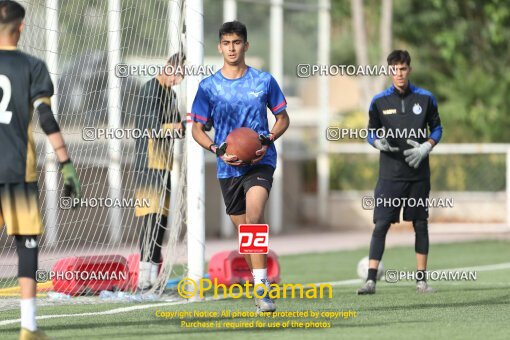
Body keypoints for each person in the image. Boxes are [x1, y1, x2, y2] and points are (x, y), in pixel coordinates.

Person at [191, 21, 290, 312]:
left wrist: (268, 138)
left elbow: (283, 118)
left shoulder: (264, 81)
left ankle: (262, 289)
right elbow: (197, 128)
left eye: (237, 42)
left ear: (246, 46)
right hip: (228, 167)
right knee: (245, 232)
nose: (232, 48)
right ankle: (259, 281)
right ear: (219, 46)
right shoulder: (208, 87)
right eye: (226, 43)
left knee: (255, 214)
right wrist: (217, 149)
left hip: (260, 161)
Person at [0, 1, 81, 338]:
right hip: (18, 169)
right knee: (26, 245)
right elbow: (46, 118)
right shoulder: (33, 66)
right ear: (21, 27)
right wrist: (66, 164)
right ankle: (28, 327)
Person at [357, 50, 443, 295]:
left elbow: (437, 129)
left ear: (409, 70)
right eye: (394, 69)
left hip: (418, 175)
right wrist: (376, 142)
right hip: (390, 176)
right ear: (389, 71)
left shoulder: (426, 99)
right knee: (381, 224)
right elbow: (370, 132)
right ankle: (371, 281)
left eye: (403, 69)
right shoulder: (379, 102)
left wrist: (427, 146)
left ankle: (421, 281)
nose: (399, 74)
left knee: (420, 224)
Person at [132, 53, 185, 290]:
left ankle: (153, 275)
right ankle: (144, 276)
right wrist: (174, 127)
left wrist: (186, 126)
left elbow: (177, 126)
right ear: (168, 67)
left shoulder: (171, 94)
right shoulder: (149, 90)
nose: (179, 81)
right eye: (179, 74)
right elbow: (150, 128)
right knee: (150, 221)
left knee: (161, 222)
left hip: (164, 165)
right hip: (148, 164)